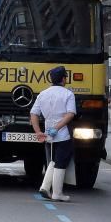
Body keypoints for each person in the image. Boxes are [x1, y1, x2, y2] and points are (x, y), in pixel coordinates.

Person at [30, 66, 76, 202]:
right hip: (62, 134)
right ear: (63, 79)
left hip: (47, 135)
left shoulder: (42, 94)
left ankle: (45, 186)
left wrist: (38, 132)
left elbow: (33, 114)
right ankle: (57, 193)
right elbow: (70, 114)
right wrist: (57, 127)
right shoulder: (68, 94)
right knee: (61, 162)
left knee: (53, 160)